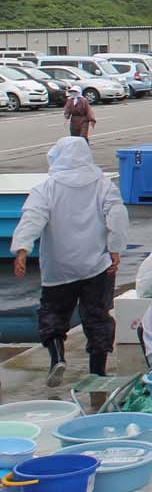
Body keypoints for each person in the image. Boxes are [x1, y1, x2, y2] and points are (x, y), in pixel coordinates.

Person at [11, 137, 127, 385]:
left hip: (59, 268)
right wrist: (115, 248)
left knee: (53, 313)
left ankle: (57, 357)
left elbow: (32, 217)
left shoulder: (47, 188)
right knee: (97, 317)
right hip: (96, 265)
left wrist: (22, 248)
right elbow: (117, 214)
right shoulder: (102, 184)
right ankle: (97, 371)